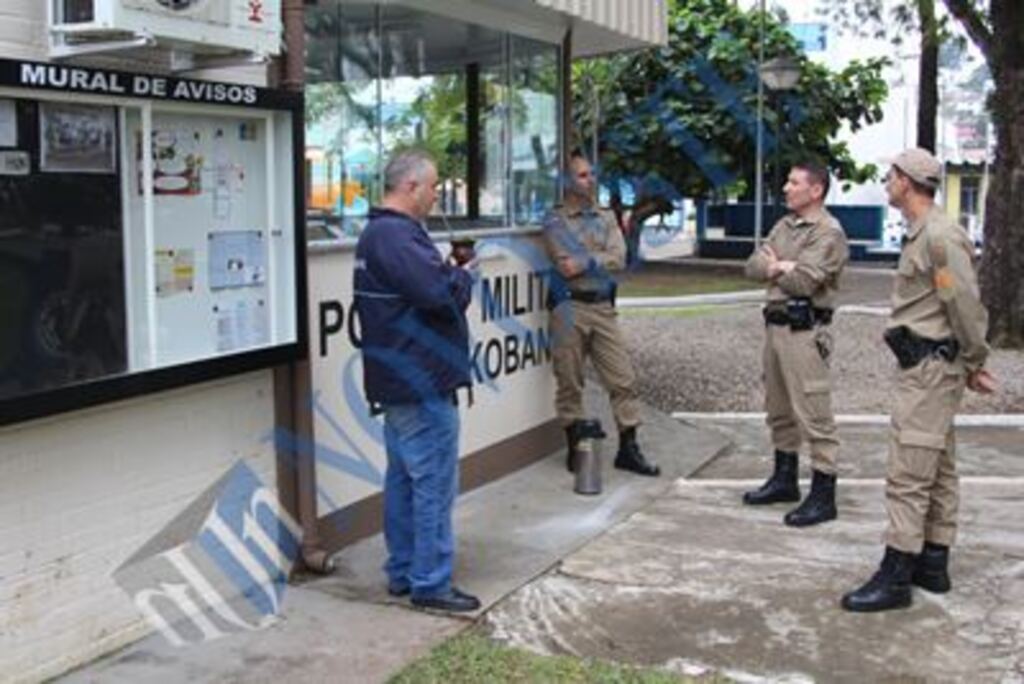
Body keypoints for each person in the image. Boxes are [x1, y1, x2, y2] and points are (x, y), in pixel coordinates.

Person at [842, 148, 995, 612]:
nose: (886, 181)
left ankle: (897, 574)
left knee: (908, 471)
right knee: (938, 465)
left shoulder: (939, 238)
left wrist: (975, 359)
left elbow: (961, 303)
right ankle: (933, 561)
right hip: (926, 366)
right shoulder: (923, 234)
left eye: (891, 176)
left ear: (907, 182)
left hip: (930, 369)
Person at [353, 150, 480, 613]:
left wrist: (447, 273)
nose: (435, 195)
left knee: (406, 481)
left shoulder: (380, 234)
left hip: (398, 381)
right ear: (410, 187)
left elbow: (422, 287)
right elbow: (438, 295)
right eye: (432, 187)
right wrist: (464, 277)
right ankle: (431, 584)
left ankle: (405, 571)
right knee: (433, 485)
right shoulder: (397, 236)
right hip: (421, 382)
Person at [743, 161, 850, 527]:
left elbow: (805, 282)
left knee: (814, 412)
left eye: (793, 182)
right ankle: (784, 478)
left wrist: (782, 268)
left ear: (816, 190)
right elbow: (752, 267)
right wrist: (779, 267)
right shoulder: (784, 226)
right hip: (774, 328)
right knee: (779, 408)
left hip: (805, 332)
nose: (786, 188)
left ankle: (823, 494)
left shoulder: (828, 232)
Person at [542, 153, 660, 478]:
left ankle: (629, 447)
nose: (590, 179)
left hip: (604, 309)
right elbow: (566, 265)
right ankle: (575, 444)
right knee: (570, 381)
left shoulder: (606, 216)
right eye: (582, 175)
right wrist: (596, 258)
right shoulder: (555, 220)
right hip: (570, 309)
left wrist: (586, 260)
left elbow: (620, 257)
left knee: (623, 379)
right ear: (567, 182)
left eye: (592, 174)